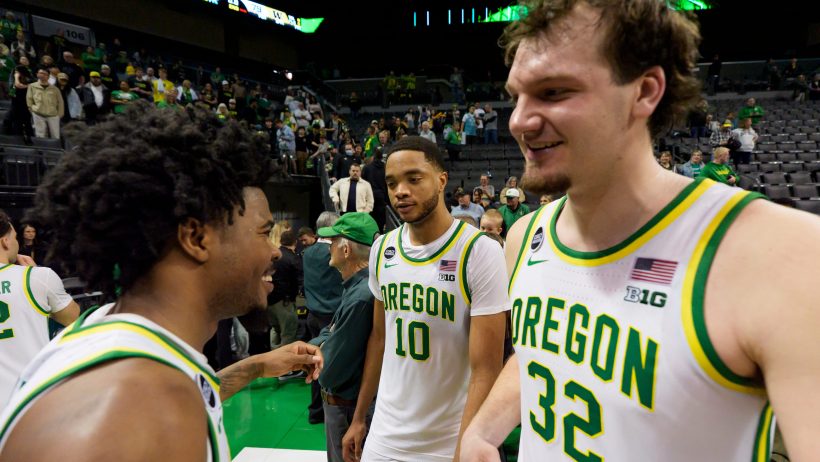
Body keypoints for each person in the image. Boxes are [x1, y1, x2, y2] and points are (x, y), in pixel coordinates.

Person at [462, 2, 820, 461]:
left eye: (553, 92)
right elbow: (539, 354)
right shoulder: (525, 238)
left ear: (644, 91)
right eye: (517, 96)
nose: (517, 120)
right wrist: (481, 432)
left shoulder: (780, 253)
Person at [0, 104, 323, 461]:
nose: (275, 251)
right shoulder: (122, 420)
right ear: (196, 238)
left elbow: (194, 390)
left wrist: (256, 366)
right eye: (263, 233)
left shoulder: (115, 330)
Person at [342, 136, 509, 462]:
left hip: (446, 442)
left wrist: (464, 449)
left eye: (413, 179)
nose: (400, 191)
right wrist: (360, 417)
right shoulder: (382, 248)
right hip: (384, 437)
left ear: (442, 180)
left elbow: (486, 369)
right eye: (392, 183)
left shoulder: (479, 251)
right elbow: (379, 339)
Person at [309, 213, 379, 462]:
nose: (329, 247)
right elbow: (330, 330)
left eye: (333, 241)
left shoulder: (360, 297)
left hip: (347, 407)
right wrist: (323, 342)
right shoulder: (360, 288)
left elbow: (328, 372)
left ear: (346, 250)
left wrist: (318, 348)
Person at [0, 211, 80, 406]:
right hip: (29, 401)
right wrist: (38, 278)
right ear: (5, 242)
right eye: (16, 237)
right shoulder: (36, 277)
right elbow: (74, 320)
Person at [302, 212, 345, 424]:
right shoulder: (333, 252)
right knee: (333, 365)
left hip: (313, 313)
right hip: (332, 317)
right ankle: (333, 411)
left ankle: (315, 410)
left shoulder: (307, 252)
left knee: (314, 363)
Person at [268, 230, 302, 350]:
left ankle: (272, 355)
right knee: (288, 332)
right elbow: (300, 279)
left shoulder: (272, 256)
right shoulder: (293, 258)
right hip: (285, 302)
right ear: (295, 242)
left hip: (270, 299)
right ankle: (284, 359)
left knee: (275, 329)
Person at [26, 67, 64, 139]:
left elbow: (60, 102)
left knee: (55, 135)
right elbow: (29, 100)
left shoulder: (55, 89)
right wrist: (33, 110)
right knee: (40, 135)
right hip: (38, 114)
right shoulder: (32, 86)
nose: (42, 75)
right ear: (37, 74)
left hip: (53, 115)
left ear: (48, 76)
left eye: (44, 74)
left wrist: (59, 115)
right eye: (40, 73)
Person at [362, 148, 389, 232]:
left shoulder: (367, 168)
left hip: (369, 198)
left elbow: (362, 183)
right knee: (380, 224)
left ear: (373, 156)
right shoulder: (386, 168)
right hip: (382, 198)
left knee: (370, 221)